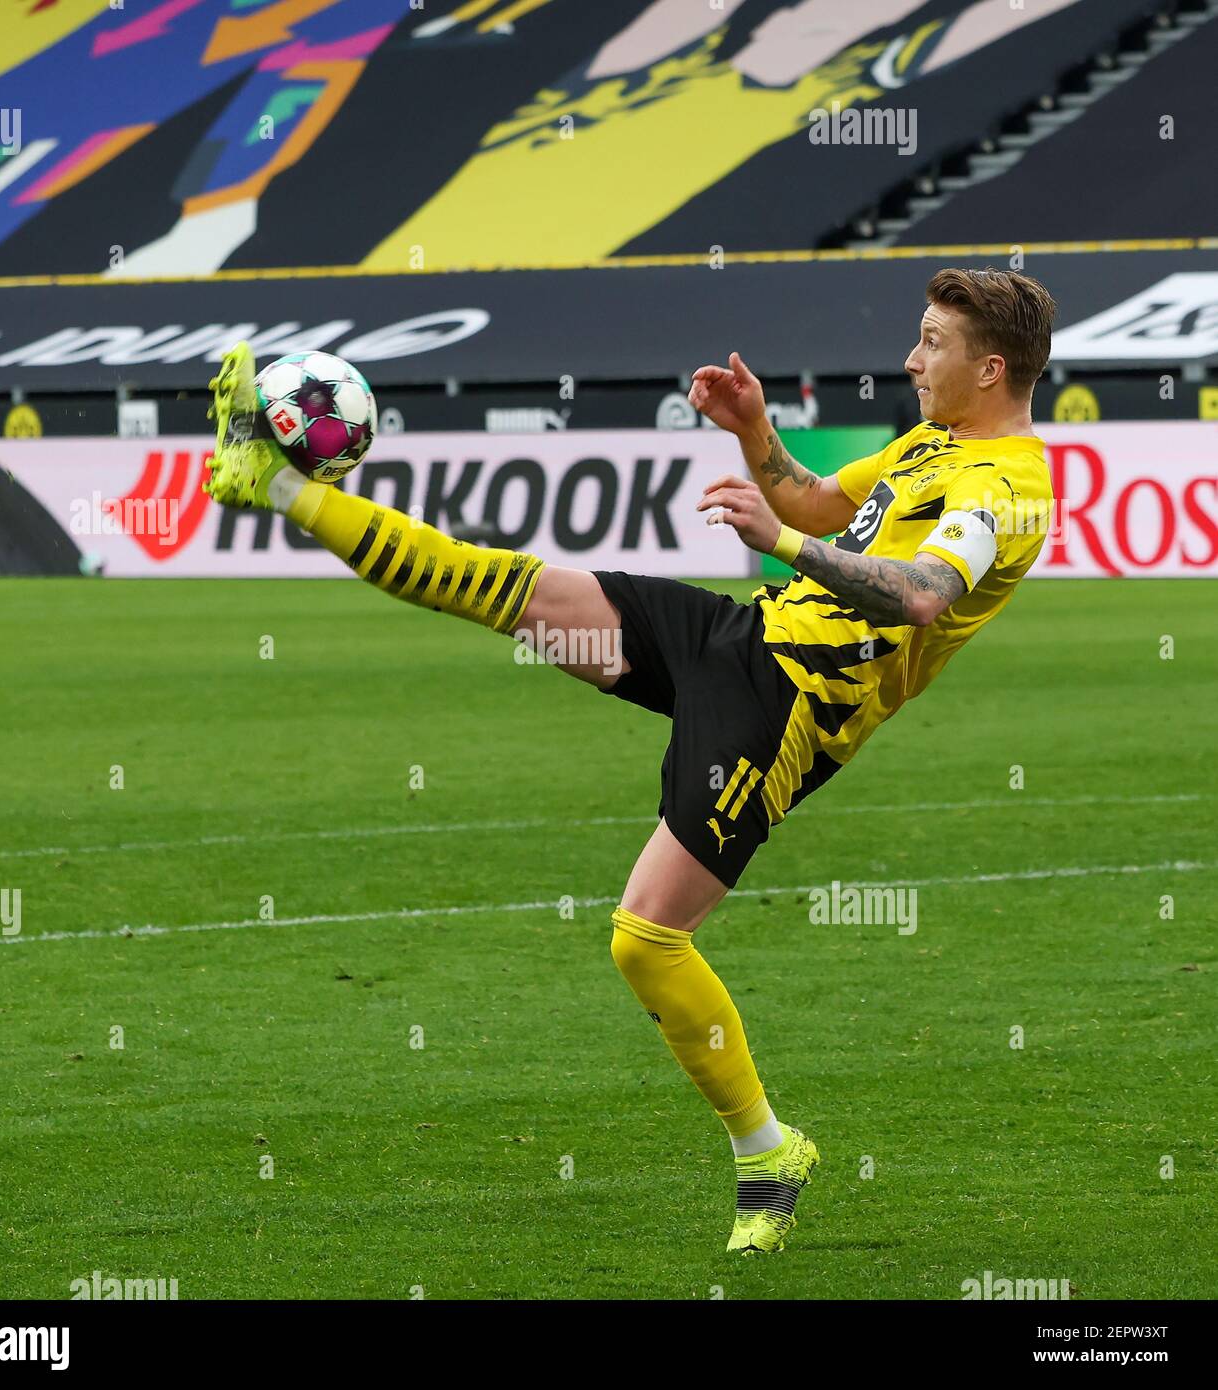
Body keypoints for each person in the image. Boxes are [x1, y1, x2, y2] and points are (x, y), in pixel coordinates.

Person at [203, 266, 1056, 1254]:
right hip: (736, 640)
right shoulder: (933, 443)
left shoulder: (1009, 488)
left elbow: (916, 591)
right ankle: (273, 481)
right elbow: (820, 502)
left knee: (643, 939)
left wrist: (774, 537)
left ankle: (766, 1151)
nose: (910, 360)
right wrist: (753, 431)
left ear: (989, 367)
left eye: (932, 344)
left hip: (784, 709)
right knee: (500, 590)